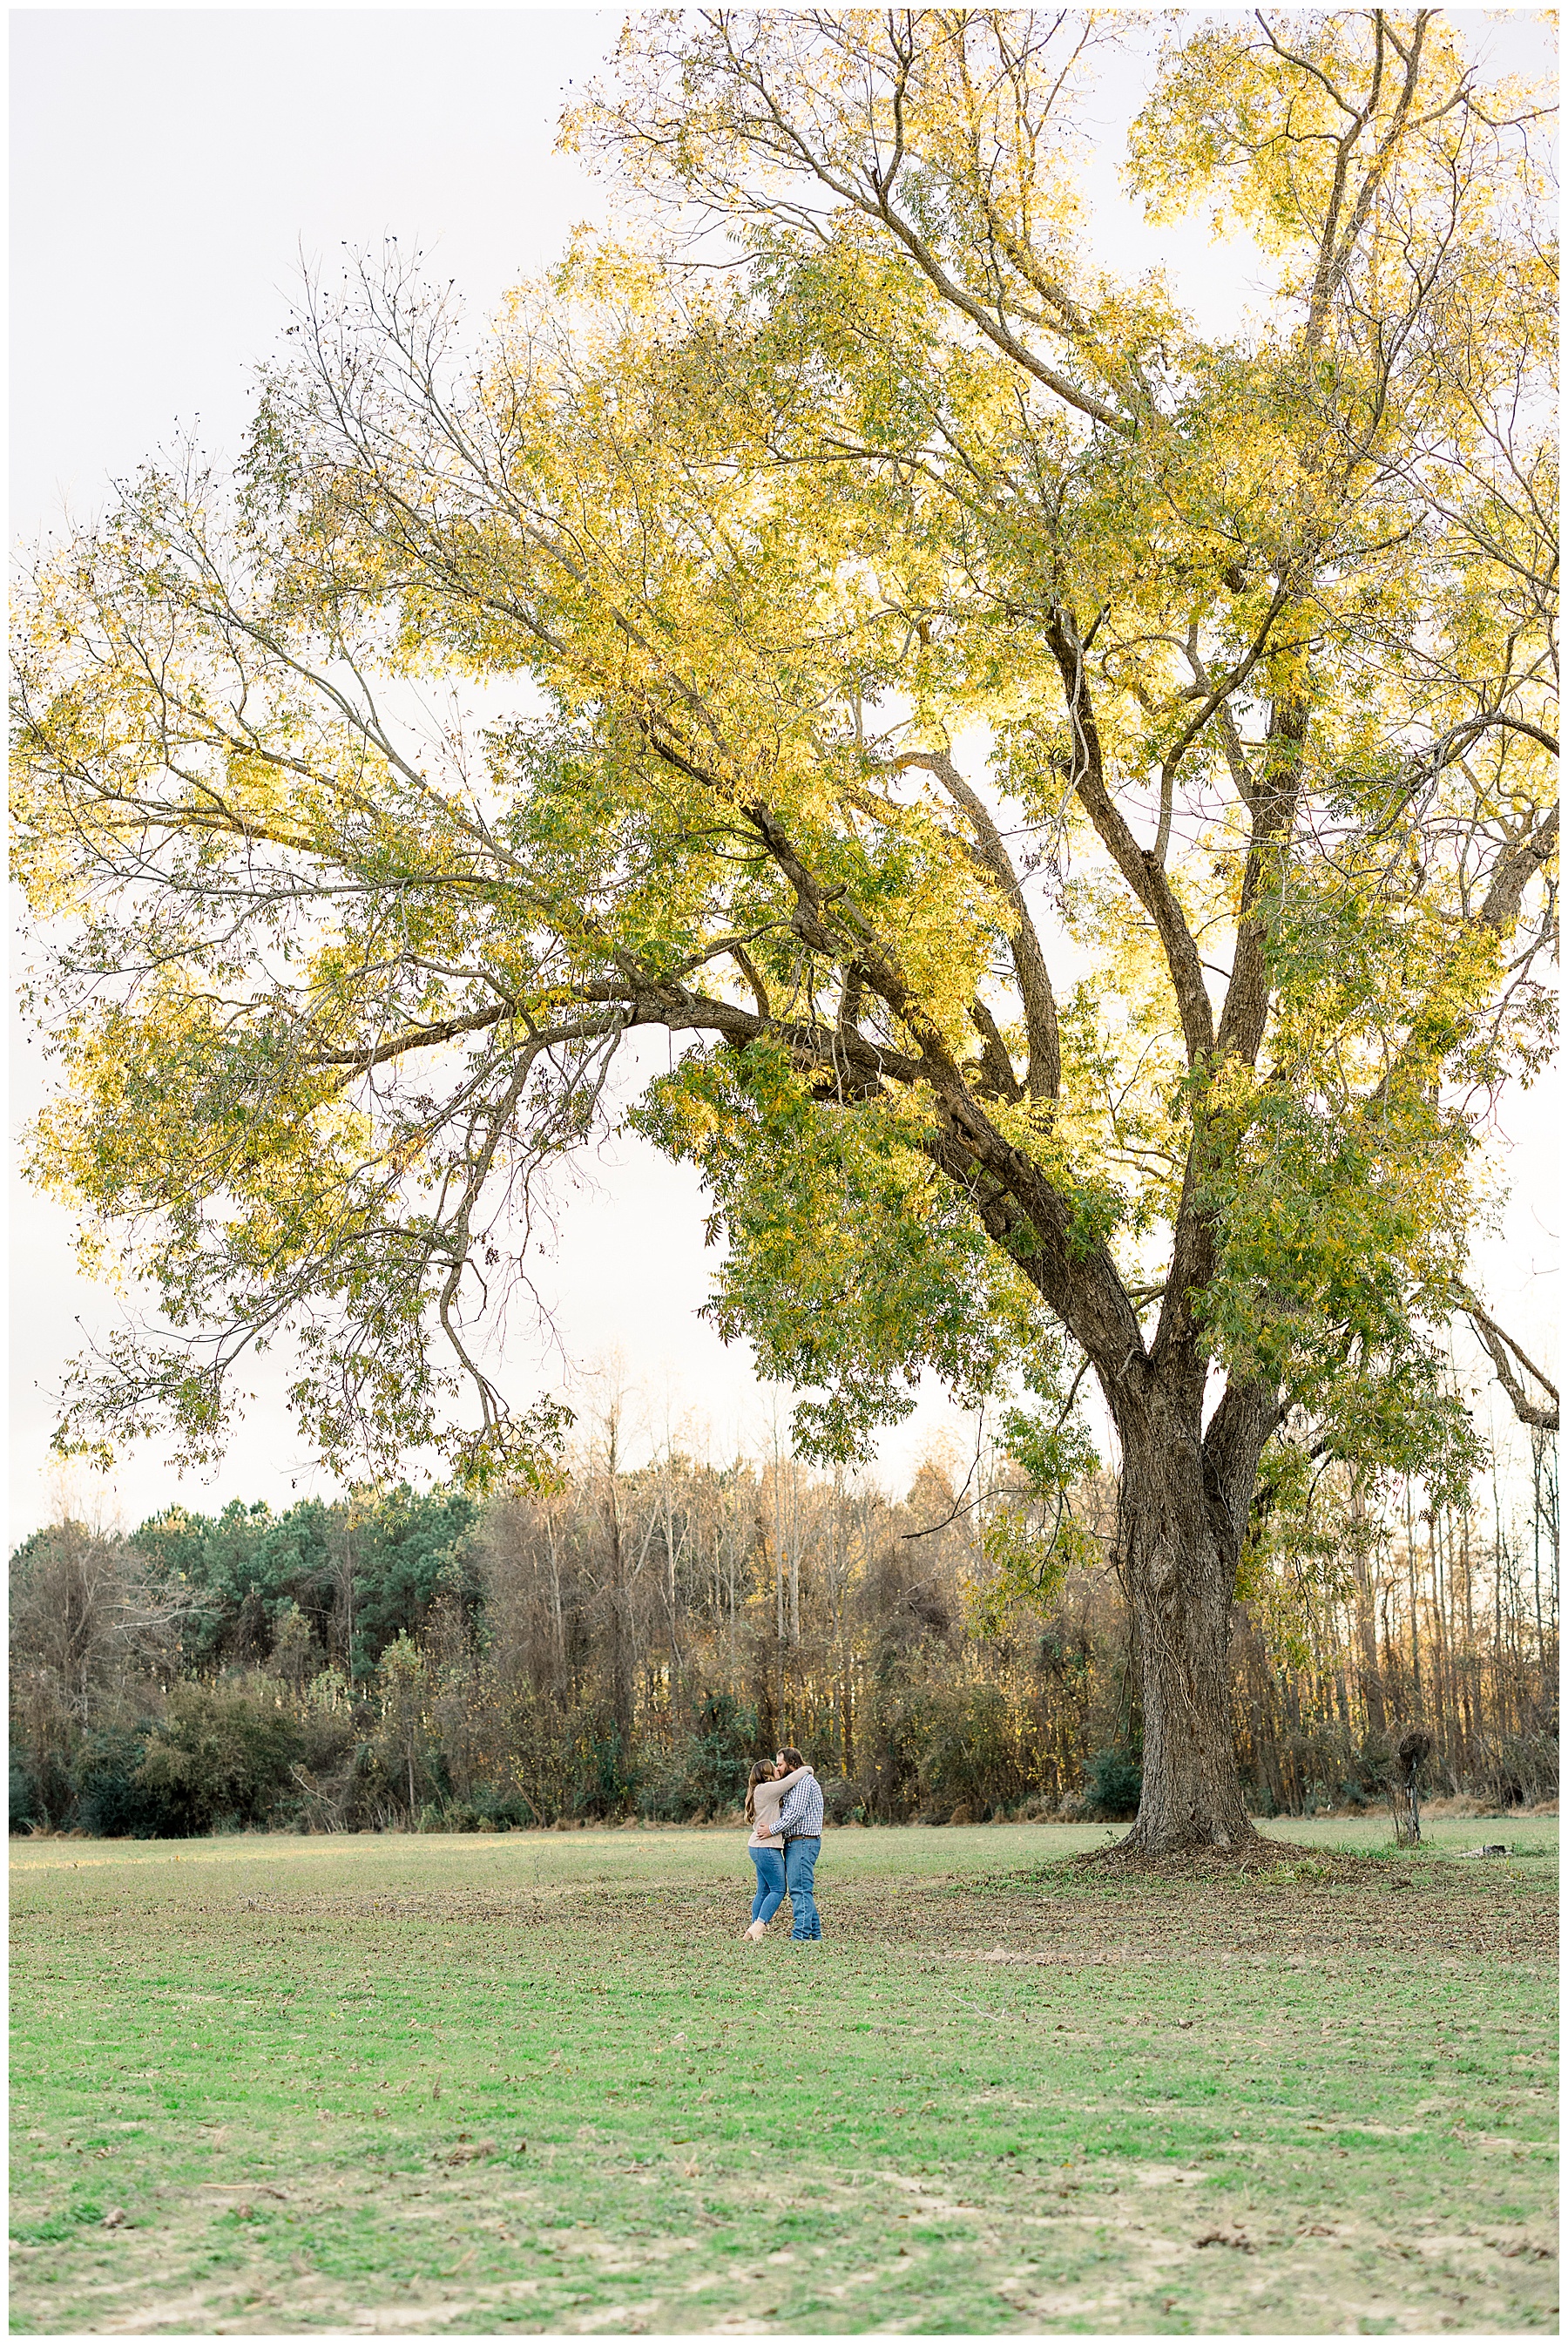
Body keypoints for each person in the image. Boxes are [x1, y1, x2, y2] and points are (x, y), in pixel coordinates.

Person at [741, 1756, 807, 1942]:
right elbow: (791, 1780)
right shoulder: (766, 1789)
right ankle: (759, 1926)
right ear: (767, 1773)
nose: (778, 1769)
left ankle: (753, 1930)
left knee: (763, 1890)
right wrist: (807, 1768)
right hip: (766, 1848)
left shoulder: (760, 1791)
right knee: (778, 1889)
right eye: (774, 1767)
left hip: (759, 1847)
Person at [773, 1745, 826, 1941]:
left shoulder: (804, 1782)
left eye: (780, 1764)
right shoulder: (792, 1783)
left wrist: (769, 1830)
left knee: (800, 1890)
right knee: (802, 1888)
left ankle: (800, 1936)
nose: (777, 1768)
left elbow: (793, 1814)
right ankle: (815, 1935)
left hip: (803, 1842)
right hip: (796, 1842)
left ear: (792, 1764)